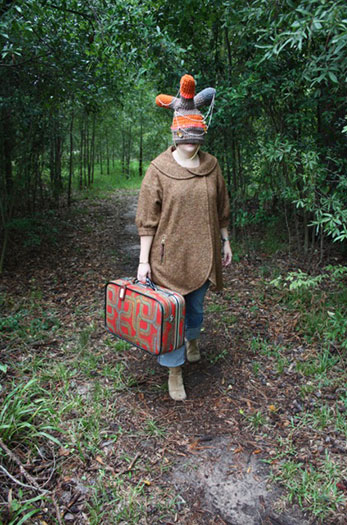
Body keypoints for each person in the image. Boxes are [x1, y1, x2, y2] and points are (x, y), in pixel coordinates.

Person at [135, 74, 232, 401]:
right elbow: (147, 221)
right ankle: (174, 371)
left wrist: (225, 239)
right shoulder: (158, 169)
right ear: (176, 132)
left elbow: (222, 205)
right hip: (168, 258)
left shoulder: (212, 165)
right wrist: (143, 262)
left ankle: (193, 340)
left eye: (196, 133)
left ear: (202, 132)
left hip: (203, 251)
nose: (190, 140)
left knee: (195, 312)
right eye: (184, 133)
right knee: (171, 316)